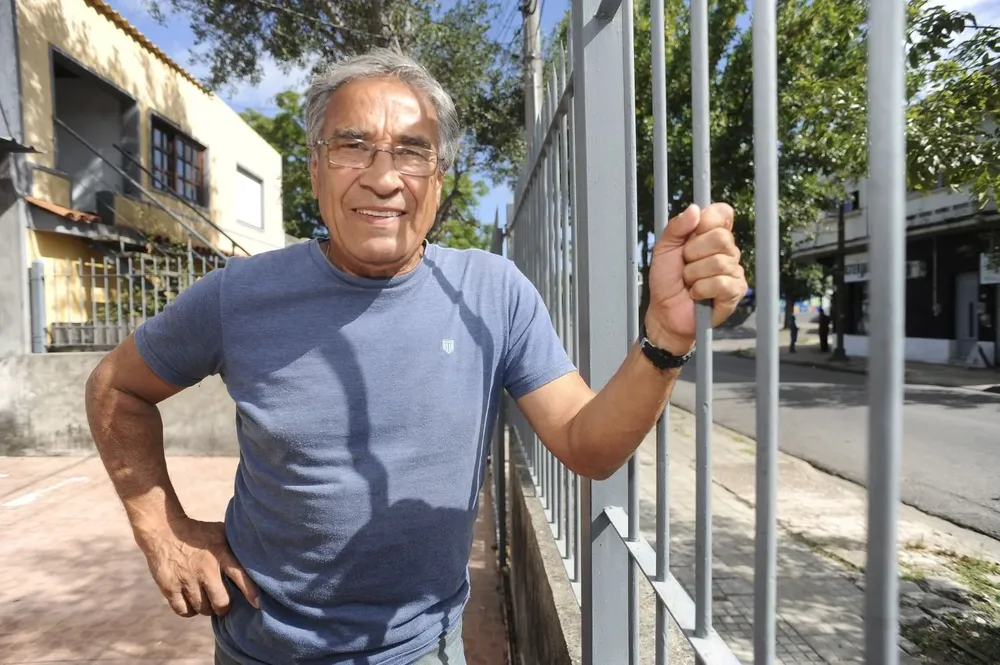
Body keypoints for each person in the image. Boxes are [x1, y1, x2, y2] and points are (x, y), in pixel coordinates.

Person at [84, 49, 748, 665]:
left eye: (411, 151)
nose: (382, 178)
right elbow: (116, 386)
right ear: (314, 165)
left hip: (421, 650)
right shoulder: (239, 295)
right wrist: (162, 527)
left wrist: (664, 337)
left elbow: (587, 443)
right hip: (260, 646)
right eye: (352, 147)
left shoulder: (492, 292)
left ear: (439, 176)